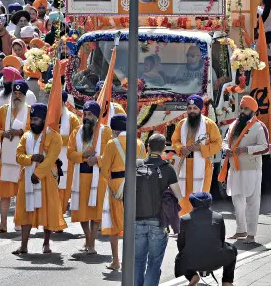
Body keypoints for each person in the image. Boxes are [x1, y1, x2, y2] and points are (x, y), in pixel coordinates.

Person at [12, 102, 66, 255]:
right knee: (25, 211)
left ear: (44, 120)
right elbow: (18, 156)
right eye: (32, 119)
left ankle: (46, 243)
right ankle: (23, 245)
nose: (33, 122)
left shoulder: (54, 136)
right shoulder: (26, 136)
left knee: (47, 210)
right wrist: (31, 158)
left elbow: (50, 159)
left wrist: (38, 174)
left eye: (37, 119)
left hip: (47, 178)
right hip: (27, 178)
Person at [220, 95, 268, 243]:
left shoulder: (259, 126)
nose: (242, 111)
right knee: (237, 199)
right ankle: (241, 230)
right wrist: (226, 148)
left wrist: (247, 149)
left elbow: (265, 147)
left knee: (252, 201)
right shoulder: (234, 124)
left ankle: (251, 234)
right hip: (234, 168)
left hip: (251, 169)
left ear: (253, 111)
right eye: (242, 108)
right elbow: (224, 141)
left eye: (246, 108)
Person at [134, 133, 181, 286]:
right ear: (163, 149)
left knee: (138, 261)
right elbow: (179, 196)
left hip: (137, 220)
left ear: (148, 147)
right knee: (154, 263)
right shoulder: (168, 168)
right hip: (158, 222)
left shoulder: (137, 165)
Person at [100, 114, 146, 271]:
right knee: (134, 225)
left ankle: (116, 261)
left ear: (114, 130)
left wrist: (112, 183)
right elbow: (143, 167)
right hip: (136, 187)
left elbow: (104, 170)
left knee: (115, 226)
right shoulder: (140, 143)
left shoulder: (112, 143)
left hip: (116, 187)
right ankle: (134, 261)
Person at [67, 100, 111, 255]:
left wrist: (97, 159)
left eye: (90, 114)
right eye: (84, 114)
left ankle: (91, 243)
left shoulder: (105, 132)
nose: (86, 117)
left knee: (96, 212)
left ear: (96, 117)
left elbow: (110, 154)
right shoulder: (76, 132)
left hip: (98, 178)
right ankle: (88, 239)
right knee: (82, 212)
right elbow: (70, 153)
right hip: (80, 177)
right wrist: (84, 155)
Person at [171, 95, 222, 215]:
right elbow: (175, 140)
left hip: (203, 166)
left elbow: (218, 144)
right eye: (189, 108)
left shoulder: (209, 124)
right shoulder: (182, 124)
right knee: (183, 197)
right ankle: (183, 224)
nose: (192, 111)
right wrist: (180, 148)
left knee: (200, 197)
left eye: (195, 108)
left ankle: (199, 225)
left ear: (200, 109)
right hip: (184, 165)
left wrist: (200, 148)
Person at [0, 80, 31, 234]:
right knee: (4, 194)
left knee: (21, 194)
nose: (16, 96)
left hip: (23, 159)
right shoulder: (3, 110)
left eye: (20, 94)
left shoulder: (29, 111)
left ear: (25, 95)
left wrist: (21, 133)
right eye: (14, 93)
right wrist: (3, 133)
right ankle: (2, 224)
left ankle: (19, 222)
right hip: (6, 159)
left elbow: (35, 132)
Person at [175, 192, 237, 286]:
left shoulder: (184, 219)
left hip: (192, 261)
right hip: (216, 260)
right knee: (232, 249)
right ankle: (227, 281)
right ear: (209, 202)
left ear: (192, 203)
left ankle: (192, 276)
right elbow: (221, 240)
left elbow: (181, 244)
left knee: (179, 257)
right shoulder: (218, 217)